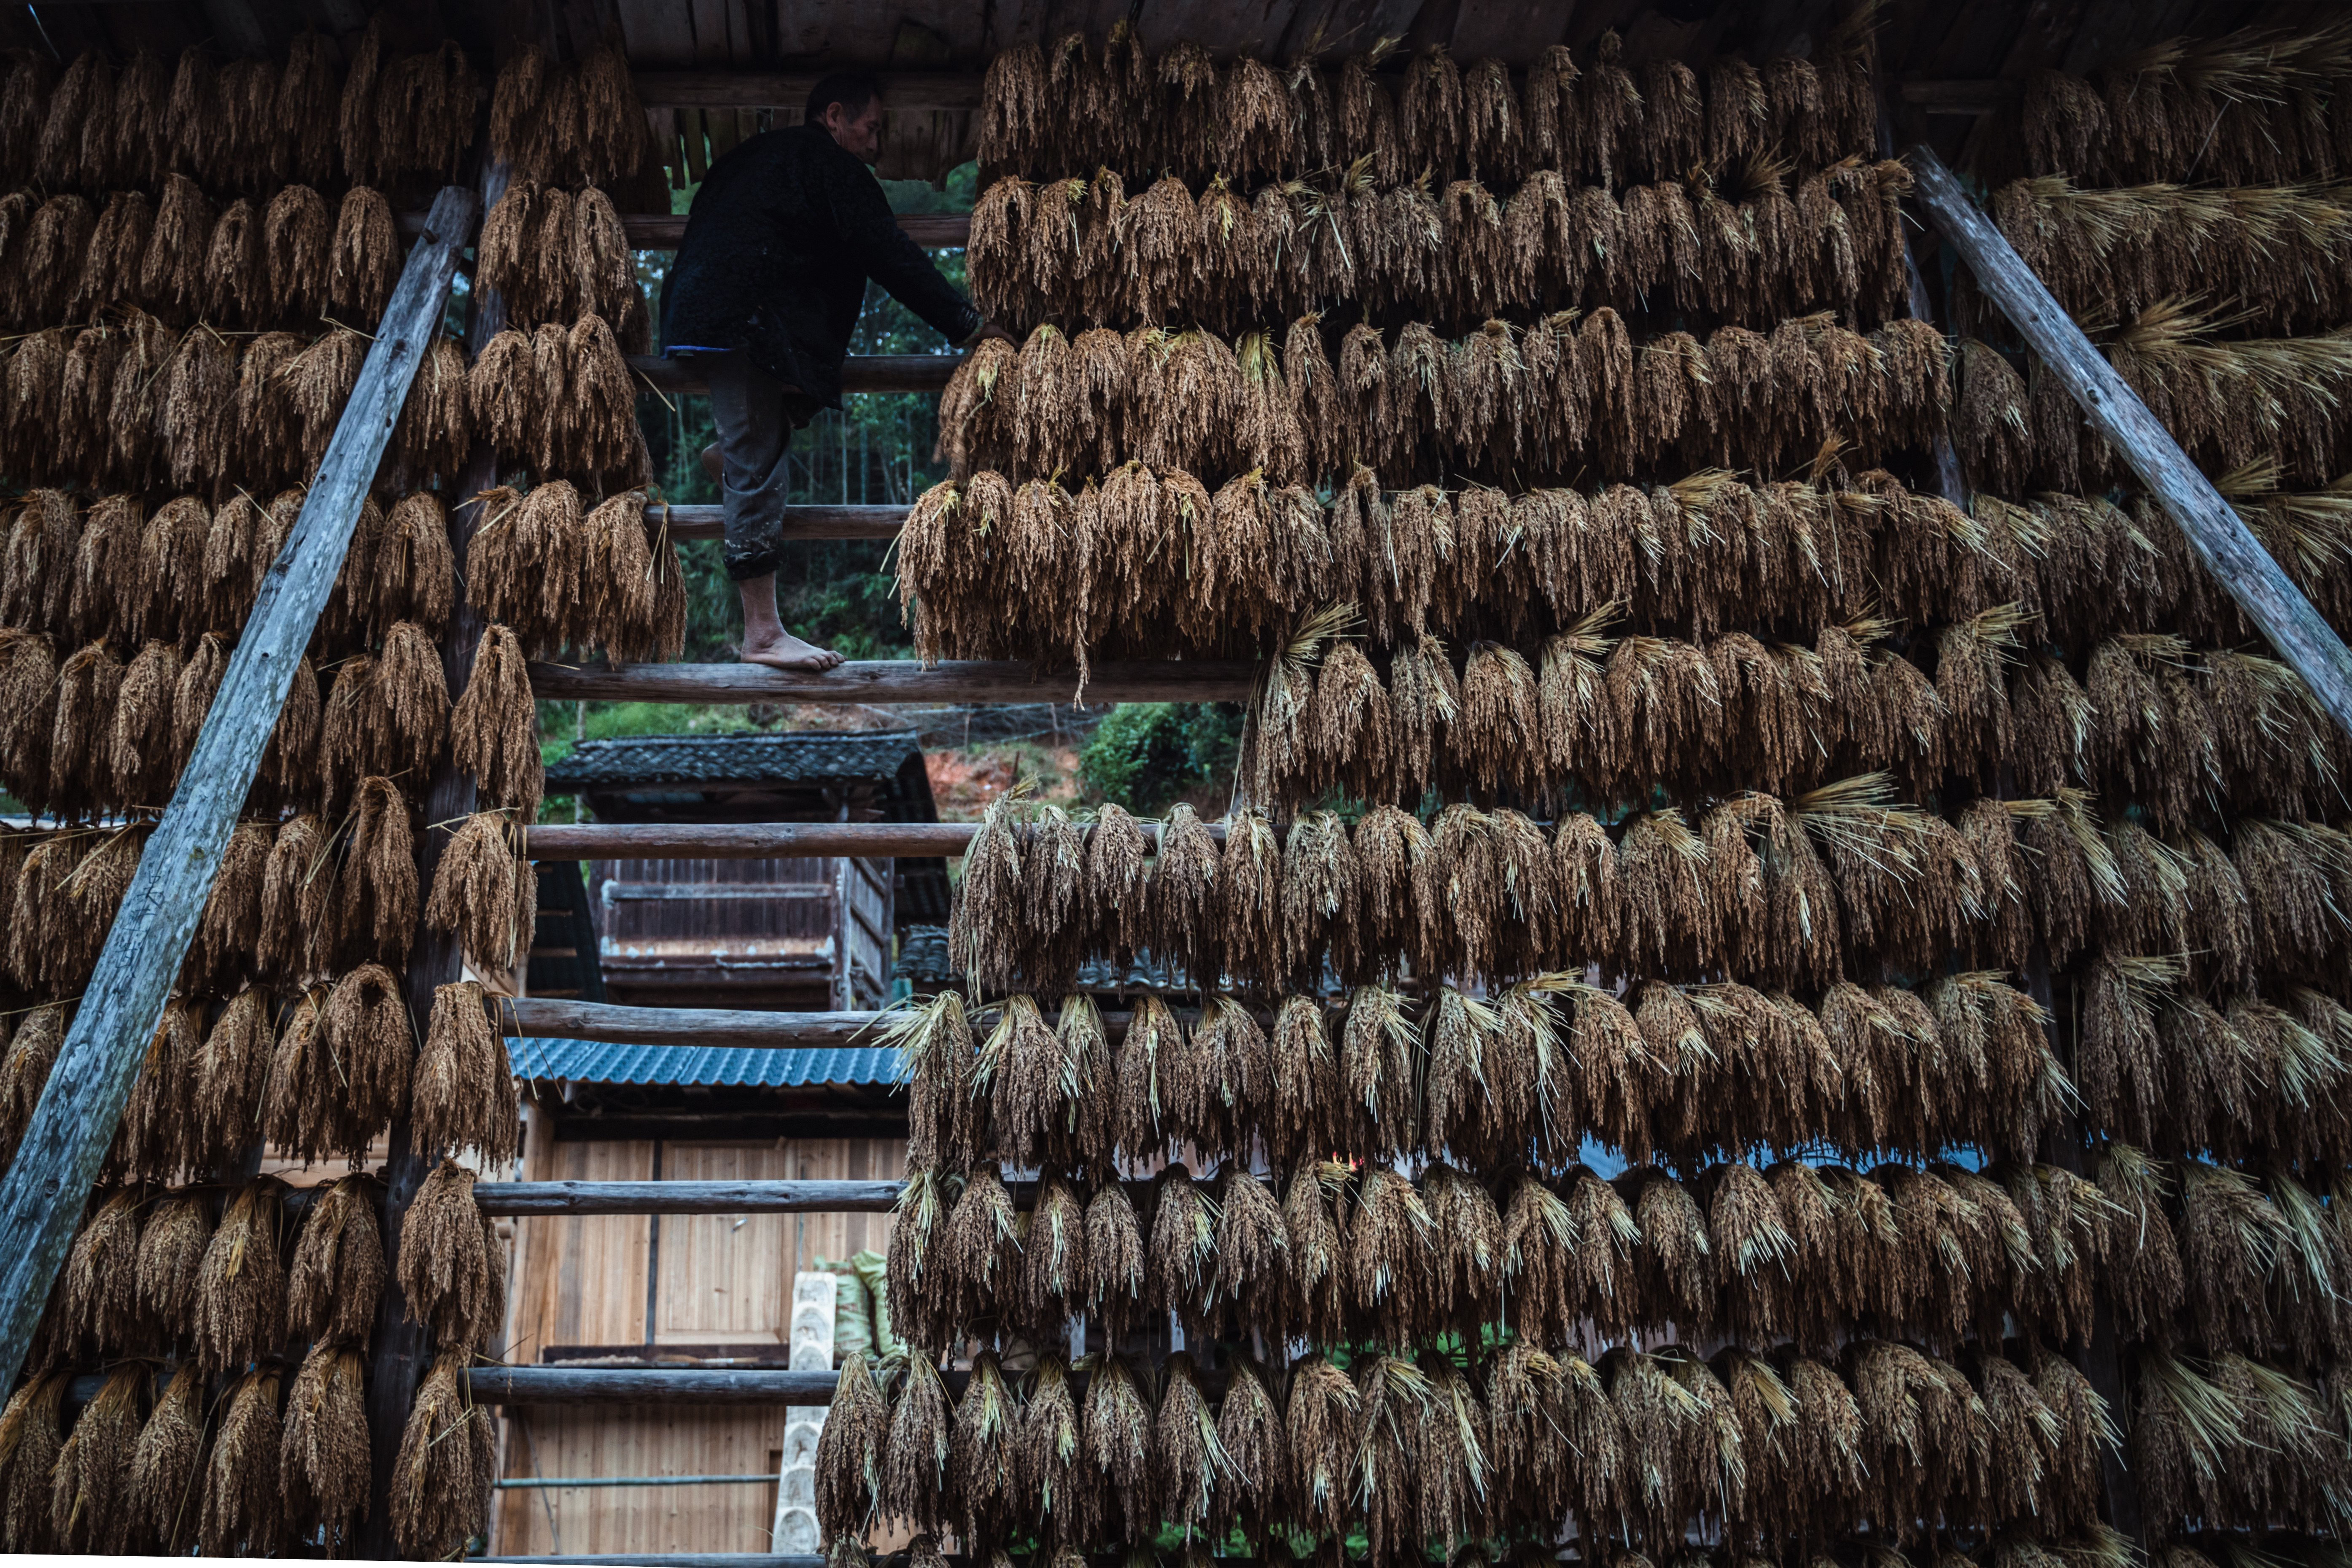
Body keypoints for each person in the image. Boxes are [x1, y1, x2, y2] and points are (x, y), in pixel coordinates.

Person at [661, 72, 1012, 671]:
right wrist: (967, 323)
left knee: (759, 436)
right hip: (745, 317)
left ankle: (728, 452)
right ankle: (763, 635)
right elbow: (889, 253)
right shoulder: (829, 166)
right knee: (758, 463)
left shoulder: (757, 160)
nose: (876, 147)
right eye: (870, 128)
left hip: (715, 310)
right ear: (833, 117)